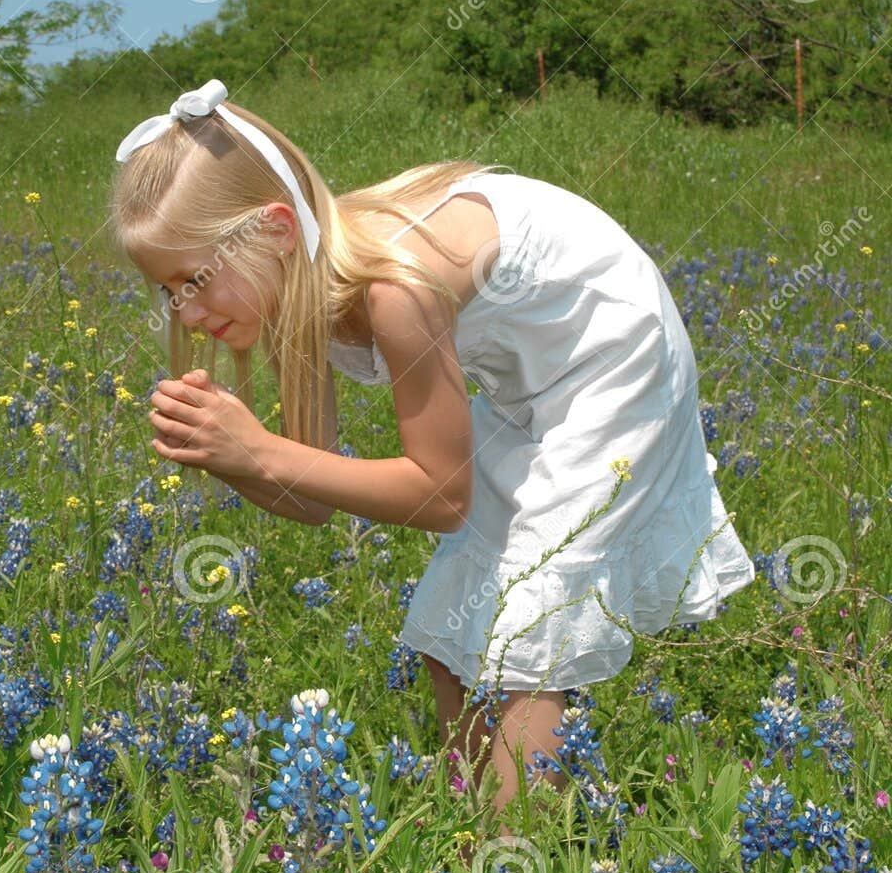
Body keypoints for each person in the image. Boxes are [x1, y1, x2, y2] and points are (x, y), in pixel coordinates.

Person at [110, 77, 755, 820]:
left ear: (276, 229)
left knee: (530, 625)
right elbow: (313, 500)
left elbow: (443, 496)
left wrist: (258, 449)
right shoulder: (292, 289)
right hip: (527, 383)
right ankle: (470, 829)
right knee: (452, 630)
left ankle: (520, 854)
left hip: (614, 357)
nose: (186, 312)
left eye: (193, 280)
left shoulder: (395, 288)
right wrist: (230, 457)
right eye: (168, 293)